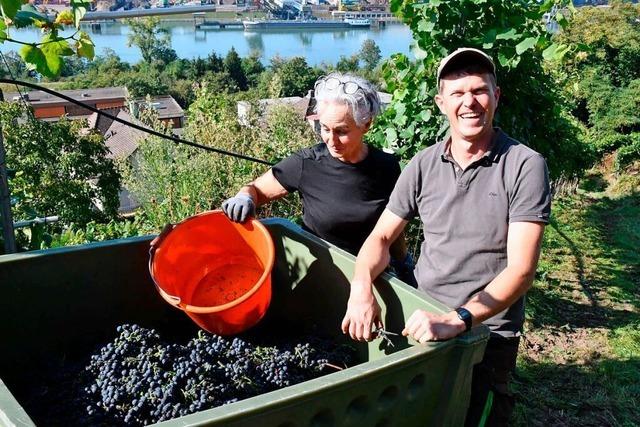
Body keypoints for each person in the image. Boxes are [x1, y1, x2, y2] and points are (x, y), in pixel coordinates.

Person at [340, 48, 551, 426]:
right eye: (457, 93)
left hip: (487, 332)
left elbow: (521, 269)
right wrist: (360, 287)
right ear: (441, 103)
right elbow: (381, 238)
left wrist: (459, 319)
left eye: (479, 90)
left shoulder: (525, 165)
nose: (469, 102)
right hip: (422, 316)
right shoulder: (423, 163)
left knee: (478, 415)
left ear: (496, 96)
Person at [221, 72, 414, 281]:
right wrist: (244, 197)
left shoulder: (387, 167)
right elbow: (256, 190)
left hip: (373, 278)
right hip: (323, 274)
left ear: (366, 125)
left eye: (341, 131)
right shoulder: (306, 163)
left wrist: (403, 265)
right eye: (325, 128)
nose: (331, 140)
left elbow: (392, 228)